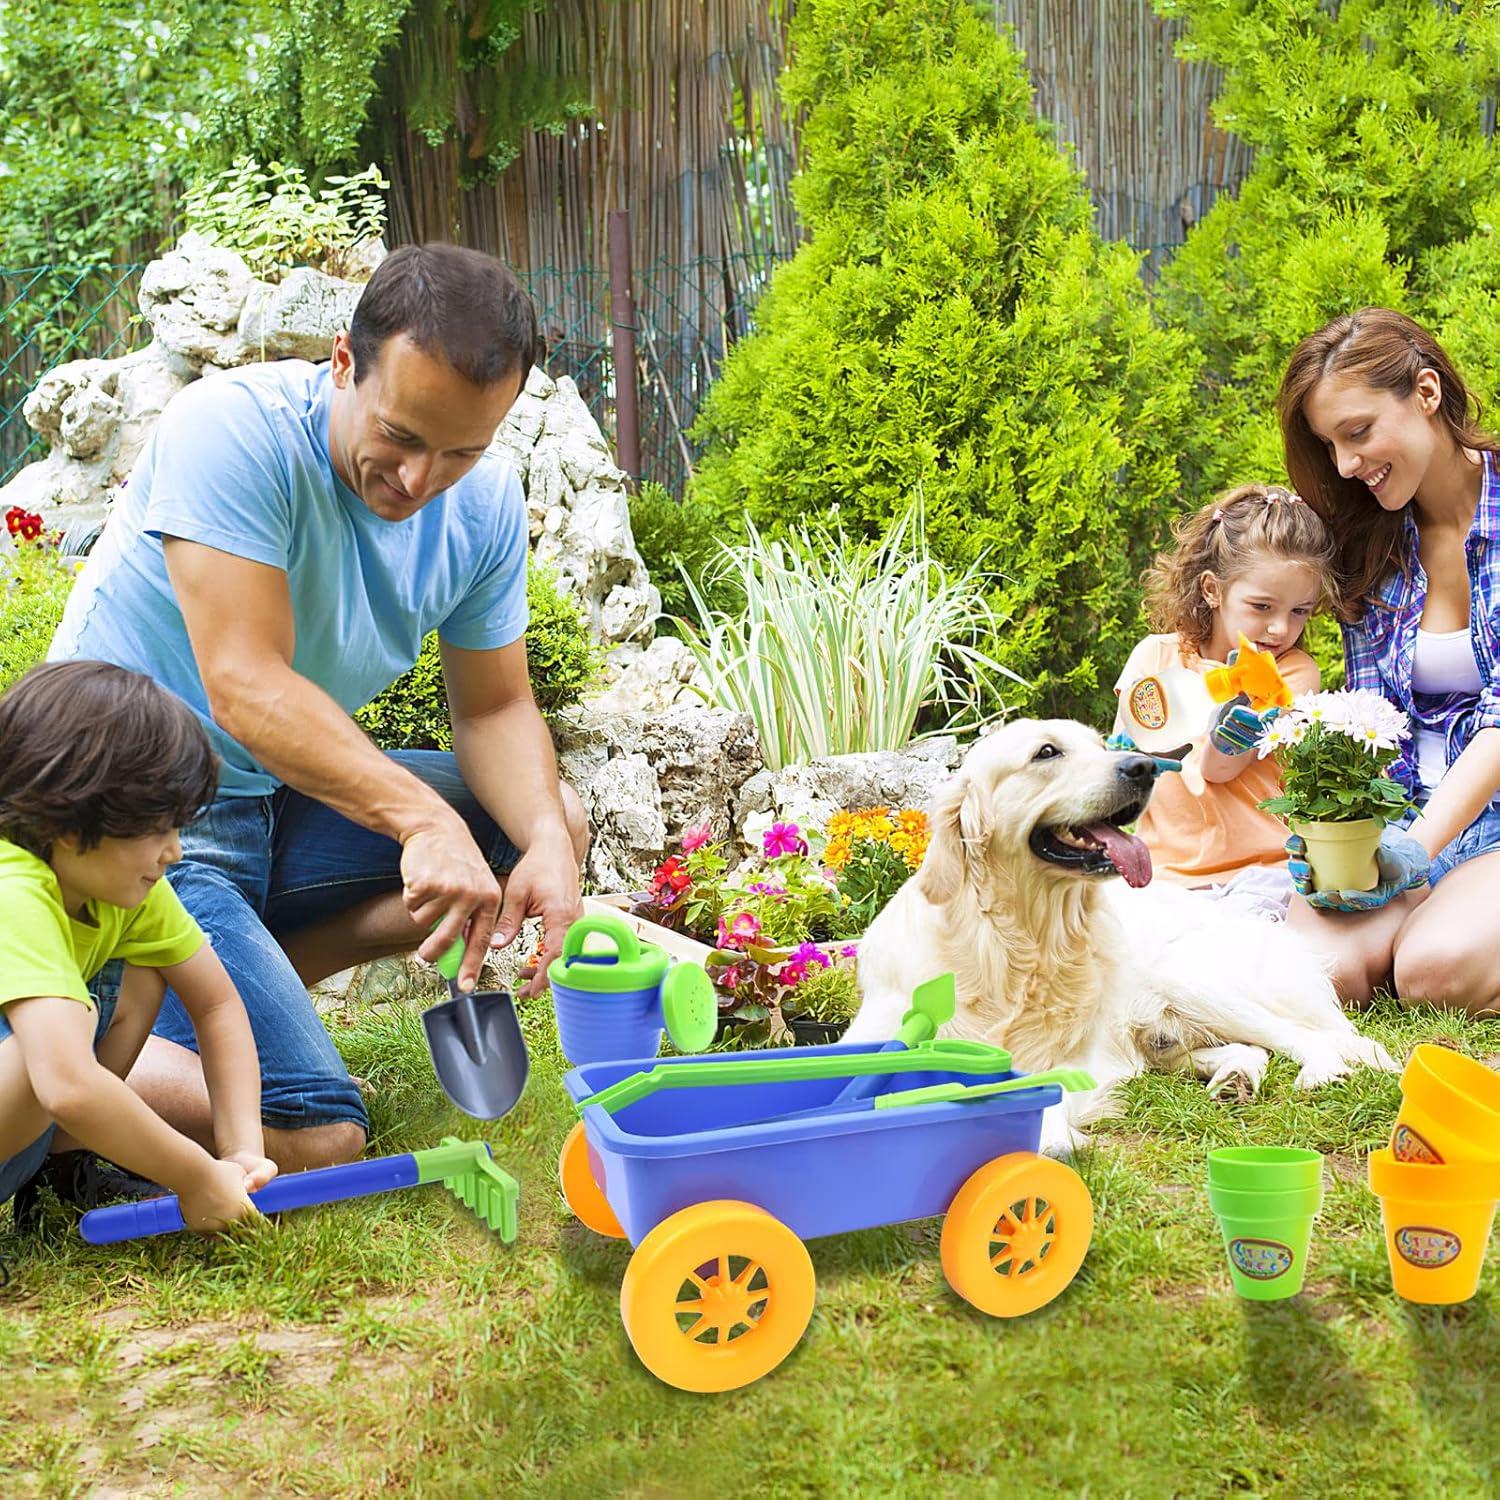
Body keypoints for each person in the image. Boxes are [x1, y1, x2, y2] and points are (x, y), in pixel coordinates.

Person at [49, 243, 589, 1171]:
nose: (421, 480)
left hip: (279, 794)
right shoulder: (233, 430)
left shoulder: (486, 505)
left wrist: (545, 844)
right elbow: (245, 684)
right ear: (344, 361)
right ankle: (59, 1069)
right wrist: (419, 819)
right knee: (320, 1131)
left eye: (462, 449)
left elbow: (496, 710)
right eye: (403, 435)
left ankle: (243, 979)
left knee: (538, 823)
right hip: (135, 822)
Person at [1277, 306, 1498, 1016]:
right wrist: (1341, 833)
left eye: (1359, 432)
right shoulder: (1371, 545)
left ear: (1426, 393)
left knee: (1430, 973)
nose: (1346, 465)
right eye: (1330, 445)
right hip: (1412, 816)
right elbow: (1377, 719)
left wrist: (1416, 851)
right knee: (1321, 973)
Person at [0, 662, 274, 1231]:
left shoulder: (126, 888)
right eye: (159, 829)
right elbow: (69, 1084)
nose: (174, 851)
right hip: (31, 1098)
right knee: (54, 1041)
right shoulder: (14, 891)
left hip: (22, 1135)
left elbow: (216, 1006)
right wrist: (196, 1177)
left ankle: (64, 1165)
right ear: (72, 824)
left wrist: (241, 1150)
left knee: (142, 974)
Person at [1112, 483, 1331, 918]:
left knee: (1234, 963)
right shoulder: (1156, 656)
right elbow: (1124, 758)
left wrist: (1231, 735)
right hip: (1164, 874)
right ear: (1214, 590)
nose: (1279, 629)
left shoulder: (1292, 673)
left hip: (1261, 871)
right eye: (1262, 606)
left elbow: (1219, 768)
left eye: (1299, 611)